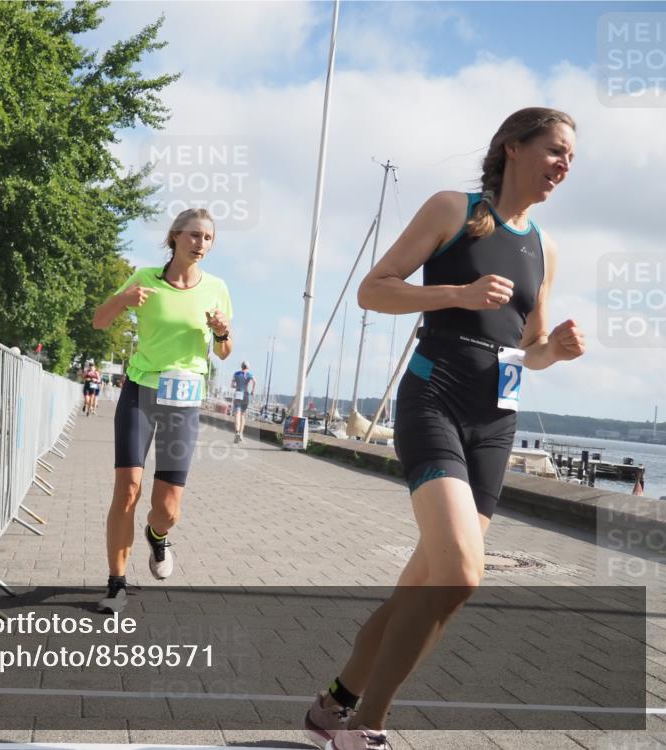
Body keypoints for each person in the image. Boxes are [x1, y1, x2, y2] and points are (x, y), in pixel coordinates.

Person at [305, 107, 585, 749]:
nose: (565, 165)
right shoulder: (450, 210)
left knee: (431, 586)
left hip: (496, 421)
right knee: (461, 569)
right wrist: (453, 295)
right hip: (433, 398)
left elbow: (529, 349)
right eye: (556, 150)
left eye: (572, 157)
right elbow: (373, 291)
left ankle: (336, 703)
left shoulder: (543, 246)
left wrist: (556, 350)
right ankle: (367, 728)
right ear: (514, 147)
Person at [91, 208, 233, 613]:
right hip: (141, 391)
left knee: (168, 508)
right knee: (128, 490)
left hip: (184, 401)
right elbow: (100, 321)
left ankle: (157, 536)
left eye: (207, 238)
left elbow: (224, 351)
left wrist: (222, 331)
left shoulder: (218, 288)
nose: (200, 244)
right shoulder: (144, 279)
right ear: (174, 237)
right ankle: (116, 583)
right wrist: (123, 299)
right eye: (193, 235)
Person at [230, 361, 256, 443]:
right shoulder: (249, 374)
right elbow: (255, 381)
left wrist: (236, 385)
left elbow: (232, 385)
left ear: (241, 366)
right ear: (248, 367)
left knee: (237, 413)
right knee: (243, 415)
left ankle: (237, 432)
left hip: (238, 393)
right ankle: (241, 433)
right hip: (245, 395)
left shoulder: (236, 374)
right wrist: (253, 391)